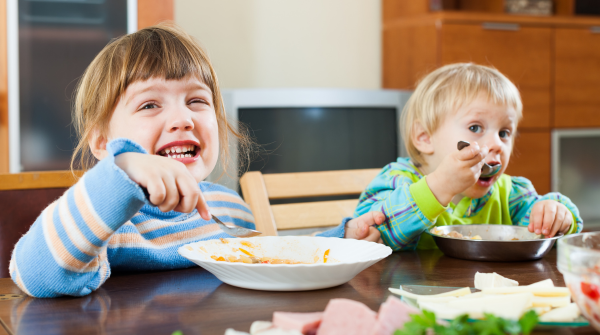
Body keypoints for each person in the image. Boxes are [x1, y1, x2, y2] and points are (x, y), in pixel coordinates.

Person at [10, 23, 383, 298]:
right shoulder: (108, 222)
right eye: (150, 104)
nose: (182, 119)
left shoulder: (229, 206)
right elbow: (35, 275)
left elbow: (271, 261)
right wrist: (121, 172)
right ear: (104, 143)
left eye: (197, 101)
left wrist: (343, 239)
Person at [354, 63, 583, 251]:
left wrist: (555, 213)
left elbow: (539, 229)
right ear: (424, 137)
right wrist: (440, 187)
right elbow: (368, 232)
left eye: (504, 133)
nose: (496, 144)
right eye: (475, 128)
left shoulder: (510, 194)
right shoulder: (396, 180)